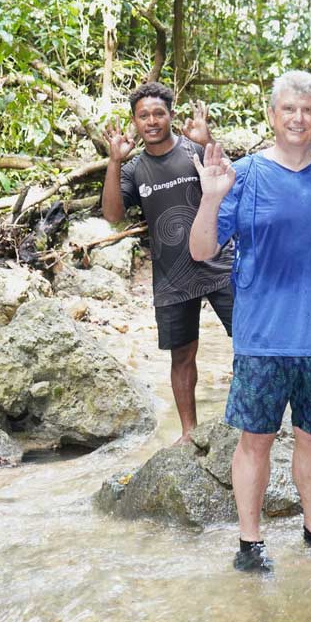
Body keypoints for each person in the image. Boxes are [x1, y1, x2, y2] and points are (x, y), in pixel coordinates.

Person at [189, 69, 311, 574]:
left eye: (309, 109)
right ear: (272, 116)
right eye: (289, 109)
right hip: (263, 337)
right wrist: (210, 196)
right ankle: (250, 544)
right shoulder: (243, 175)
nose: (299, 118)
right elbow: (202, 250)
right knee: (256, 441)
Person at [101, 82, 235, 443]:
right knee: (182, 354)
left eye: (159, 113)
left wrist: (208, 143)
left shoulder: (194, 151)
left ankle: (246, 419)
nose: (152, 121)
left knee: (249, 342)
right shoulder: (134, 170)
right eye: (143, 115)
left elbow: (231, 187)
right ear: (135, 121)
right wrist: (114, 161)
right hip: (172, 275)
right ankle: (188, 432)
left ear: (171, 116)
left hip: (220, 265)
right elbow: (113, 215)